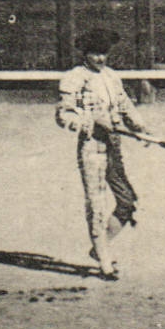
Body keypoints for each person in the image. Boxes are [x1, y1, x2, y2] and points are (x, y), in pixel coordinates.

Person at [55, 28, 146, 280]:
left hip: (114, 145)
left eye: (104, 53)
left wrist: (140, 127)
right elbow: (63, 115)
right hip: (91, 145)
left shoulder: (111, 77)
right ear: (85, 54)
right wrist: (91, 121)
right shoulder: (75, 78)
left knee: (127, 201)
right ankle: (104, 261)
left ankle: (99, 248)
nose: (100, 59)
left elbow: (125, 105)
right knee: (96, 203)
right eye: (95, 53)